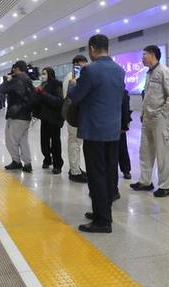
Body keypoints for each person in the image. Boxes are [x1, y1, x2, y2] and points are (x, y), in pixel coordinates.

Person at [69, 34, 125, 233]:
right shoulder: (119, 70)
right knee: (109, 173)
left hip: (94, 129)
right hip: (113, 129)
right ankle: (103, 211)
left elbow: (75, 96)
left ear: (92, 49)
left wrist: (73, 84)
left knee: (96, 175)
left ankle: (103, 221)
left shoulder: (89, 70)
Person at [131, 45, 169, 197]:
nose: (142, 58)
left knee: (162, 153)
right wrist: (144, 112)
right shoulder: (149, 73)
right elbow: (149, 95)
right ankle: (145, 182)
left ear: (152, 55)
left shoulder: (164, 71)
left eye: (144, 54)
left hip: (160, 119)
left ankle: (165, 186)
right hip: (148, 118)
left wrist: (163, 113)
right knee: (145, 151)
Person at [0, 60, 35, 173]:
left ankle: (16, 161)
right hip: (26, 115)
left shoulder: (17, 79)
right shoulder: (29, 80)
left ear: (17, 69)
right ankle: (27, 163)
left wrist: (6, 79)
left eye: (14, 69)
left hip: (16, 115)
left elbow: (2, 89)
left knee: (11, 140)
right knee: (23, 140)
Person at [63, 55, 89, 183]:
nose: (85, 65)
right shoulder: (74, 77)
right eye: (82, 63)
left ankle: (75, 167)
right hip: (75, 114)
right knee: (75, 142)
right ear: (76, 64)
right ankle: (75, 171)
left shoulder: (70, 76)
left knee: (75, 142)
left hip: (71, 113)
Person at [34, 67, 65, 174]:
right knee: (44, 142)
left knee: (55, 142)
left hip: (55, 118)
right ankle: (47, 158)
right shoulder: (42, 85)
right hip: (45, 118)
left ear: (50, 74)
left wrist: (43, 94)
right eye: (41, 74)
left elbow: (59, 101)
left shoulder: (56, 85)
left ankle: (57, 164)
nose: (42, 76)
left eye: (44, 74)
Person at [118, 89, 133, 180]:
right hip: (115, 122)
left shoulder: (122, 92)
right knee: (121, 147)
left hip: (118, 123)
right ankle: (126, 170)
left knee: (122, 147)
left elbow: (125, 107)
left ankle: (126, 170)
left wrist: (124, 125)